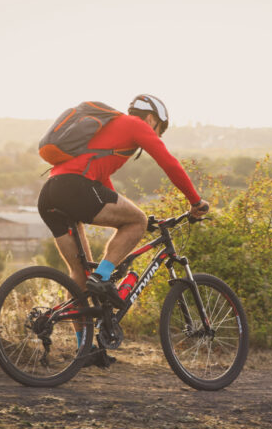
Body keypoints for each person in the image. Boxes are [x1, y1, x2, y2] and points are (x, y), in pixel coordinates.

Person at [38, 94, 209, 366]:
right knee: (136, 222)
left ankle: (85, 350)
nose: (157, 134)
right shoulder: (136, 125)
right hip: (75, 187)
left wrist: (123, 212)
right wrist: (194, 200)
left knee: (78, 273)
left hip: (51, 193)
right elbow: (168, 162)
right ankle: (103, 277)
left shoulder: (112, 128)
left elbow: (102, 182)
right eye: (159, 130)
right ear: (152, 119)